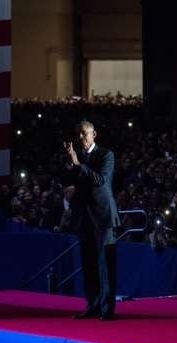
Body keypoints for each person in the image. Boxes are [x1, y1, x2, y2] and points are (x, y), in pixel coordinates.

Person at [65, 121, 120, 321]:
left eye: (84, 133)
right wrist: (71, 165)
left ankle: (107, 309)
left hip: (103, 217)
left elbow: (100, 181)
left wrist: (79, 165)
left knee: (105, 264)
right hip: (85, 217)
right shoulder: (78, 157)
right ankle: (93, 306)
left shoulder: (106, 155)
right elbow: (74, 182)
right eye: (78, 134)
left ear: (94, 134)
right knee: (88, 264)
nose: (81, 138)